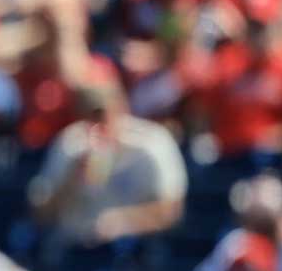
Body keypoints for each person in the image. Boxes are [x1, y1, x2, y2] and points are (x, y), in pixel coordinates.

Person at [28, 70, 187, 248]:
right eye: (86, 113)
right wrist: (72, 178)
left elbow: (171, 211)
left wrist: (123, 222)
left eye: (100, 113)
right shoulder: (71, 144)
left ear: (120, 107)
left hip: (132, 249)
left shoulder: (151, 143)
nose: (96, 123)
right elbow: (41, 213)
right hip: (74, 248)